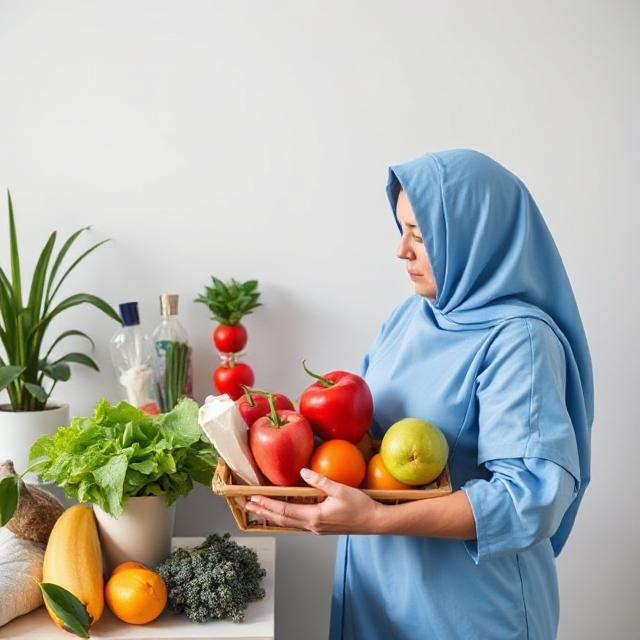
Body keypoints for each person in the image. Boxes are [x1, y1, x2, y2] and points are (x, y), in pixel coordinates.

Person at [245, 149, 594, 639]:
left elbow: (529, 499)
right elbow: (360, 438)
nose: (401, 251)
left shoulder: (519, 340)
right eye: (401, 229)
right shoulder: (411, 316)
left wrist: (375, 522)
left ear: (477, 240)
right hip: (379, 591)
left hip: (468, 611)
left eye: (421, 236)